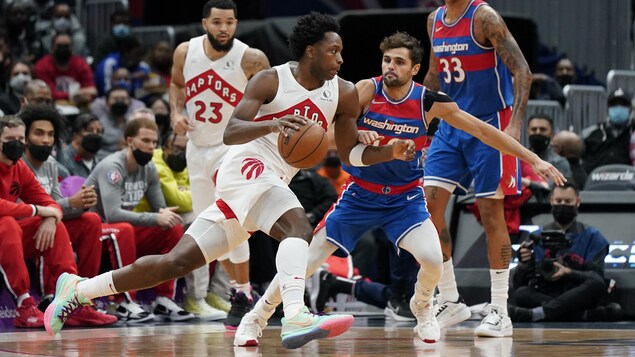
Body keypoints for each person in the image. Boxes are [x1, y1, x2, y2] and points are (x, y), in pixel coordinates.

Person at [45, 12, 385, 349]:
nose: (340, 58)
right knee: (297, 227)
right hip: (244, 167)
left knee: (175, 263)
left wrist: (386, 150)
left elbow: (348, 153)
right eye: (333, 51)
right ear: (310, 51)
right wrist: (273, 124)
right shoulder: (271, 80)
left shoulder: (344, 93)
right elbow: (232, 131)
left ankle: (78, 290)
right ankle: (295, 314)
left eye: (341, 52)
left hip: (270, 180)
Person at [233, 31, 564, 346]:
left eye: (399, 62)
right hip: (360, 195)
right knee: (306, 261)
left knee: (433, 260)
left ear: (415, 69)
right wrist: (354, 132)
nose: (390, 66)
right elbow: (331, 129)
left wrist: (532, 158)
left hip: (405, 200)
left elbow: (483, 131)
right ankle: (256, 318)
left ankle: (422, 306)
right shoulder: (365, 90)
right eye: (387, 60)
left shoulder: (430, 102)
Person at [422, 0, 533, 337]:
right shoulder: (434, 20)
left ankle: (500, 310)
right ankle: (452, 299)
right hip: (451, 123)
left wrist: (514, 126)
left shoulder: (484, 17)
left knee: (490, 212)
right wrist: (417, 124)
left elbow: (522, 72)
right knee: (428, 207)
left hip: (491, 123)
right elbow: (433, 75)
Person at [169, 0, 270, 326]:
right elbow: (176, 84)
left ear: (236, 24)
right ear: (204, 23)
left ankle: (242, 290)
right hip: (197, 149)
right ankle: (241, 292)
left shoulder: (250, 57)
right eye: (217, 22)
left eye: (229, 22)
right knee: (207, 226)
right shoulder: (185, 52)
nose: (223, 28)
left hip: (233, 149)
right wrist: (175, 113)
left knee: (230, 223)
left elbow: (272, 99)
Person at [0, 115, 116, 329]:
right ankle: (24, 305)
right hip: (6, 231)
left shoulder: (22, 167)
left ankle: (74, 300)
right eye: (9, 138)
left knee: (63, 224)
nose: (16, 143)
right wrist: (37, 210)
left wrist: (50, 217)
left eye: (20, 138)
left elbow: (49, 203)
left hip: (14, 233)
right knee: (7, 223)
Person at [81, 117, 194, 323]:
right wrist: (155, 217)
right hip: (95, 229)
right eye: (145, 141)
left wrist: (163, 215)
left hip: (124, 230)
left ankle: (164, 299)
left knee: (173, 227)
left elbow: (160, 209)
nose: (151, 147)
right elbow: (112, 214)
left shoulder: (149, 168)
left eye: (154, 142)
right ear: (129, 140)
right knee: (123, 228)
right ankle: (125, 302)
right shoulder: (113, 167)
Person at [18, 104, 106, 307]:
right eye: (39, 133)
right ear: (25, 137)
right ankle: (64, 298)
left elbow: (55, 204)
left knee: (91, 220)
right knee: (55, 226)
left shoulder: (50, 164)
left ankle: (86, 297)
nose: (46, 139)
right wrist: (63, 207)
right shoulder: (18, 163)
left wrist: (80, 203)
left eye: (50, 134)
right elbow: (23, 211)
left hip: (47, 224)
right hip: (20, 230)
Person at [508, 182, 616, 322]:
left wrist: (568, 272)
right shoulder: (536, 237)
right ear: (552, 201)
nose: (562, 205)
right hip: (547, 292)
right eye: (559, 201)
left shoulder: (593, 236)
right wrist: (523, 265)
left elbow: (596, 277)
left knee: (597, 284)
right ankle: (582, 315)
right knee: (521, 294)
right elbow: (519, 284)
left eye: (567, 201)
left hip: (577, 292)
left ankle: (536, 314)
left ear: (577, 202)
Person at [34, 33, 97, 106]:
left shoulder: (81, 64)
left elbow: (92, 91)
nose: (63, 49)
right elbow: (48, 94)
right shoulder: (42, 66)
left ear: (72, 48)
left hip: (79, 105)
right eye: (59, 46)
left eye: (66, 46)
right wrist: (75, 94)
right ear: (52, 48)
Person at [582, 88, 634, 173]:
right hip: (596, 182)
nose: (618, 107)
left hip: (628, 182)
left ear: (630, 109)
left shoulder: (633, 134)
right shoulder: (593, 133)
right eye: (614, 104)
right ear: (608, 108)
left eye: (623, 104)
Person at [57, 113, 104, 178]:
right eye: (89, 130)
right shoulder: (62, 158)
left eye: (99, 132)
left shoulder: (100, 163)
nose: (95, 134)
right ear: (76, 136)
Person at [527, 114, 572, 180]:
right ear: (528, 132)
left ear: (552, 134)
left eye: (543, 129)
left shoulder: (559, 162)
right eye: (534, 129)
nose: (538, 132)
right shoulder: (520, 159)